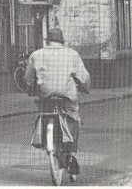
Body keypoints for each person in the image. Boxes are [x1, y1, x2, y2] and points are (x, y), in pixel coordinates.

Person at [24, 27, 90, 179]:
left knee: (44, 112)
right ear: (61, 41)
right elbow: (84, 78)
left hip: (46, 95)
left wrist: (31, 90)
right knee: (73, 117)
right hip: (67, 96)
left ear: (48, 41)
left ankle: (44, 138)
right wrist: (86, 88)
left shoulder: (36, 54)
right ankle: (71, 152)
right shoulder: (72, 54)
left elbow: (28, 79)